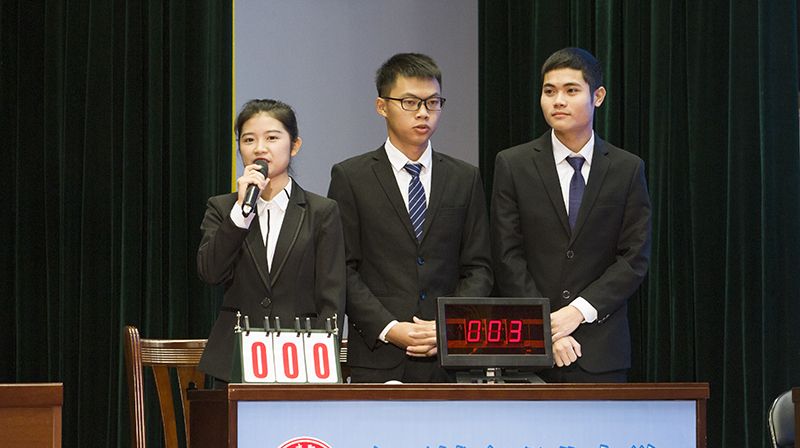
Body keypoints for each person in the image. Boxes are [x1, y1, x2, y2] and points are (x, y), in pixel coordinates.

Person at [328, 53, 493, 383]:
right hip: (379, 356)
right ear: (382, 106)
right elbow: (342, 268)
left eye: (433, 102)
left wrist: (446, 326)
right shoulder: (351, 177)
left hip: (450, 359)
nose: (423, 112)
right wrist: (390, 328)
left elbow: (479, 267)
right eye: (410, 102)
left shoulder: (464, 177)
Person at [490, 48, 651, 383]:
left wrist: (577, 312)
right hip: (530, 349)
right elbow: (507, 256)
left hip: (601, 350)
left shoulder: (627, 168)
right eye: (549, 91)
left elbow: (634, 258)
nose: (558, 101)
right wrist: (547, 327)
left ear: (598, 96)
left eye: (571, 90)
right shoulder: (513, 164)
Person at [198, 99, 346, 383]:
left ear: (294, 145)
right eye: (248, 140)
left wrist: (323, 361)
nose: (259, 148)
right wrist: (241, 213)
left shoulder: (321, 212)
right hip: (234, 361)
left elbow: (332, 297)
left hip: (301, 360)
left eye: (272, 138)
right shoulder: (223, 208)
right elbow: (210, 272)